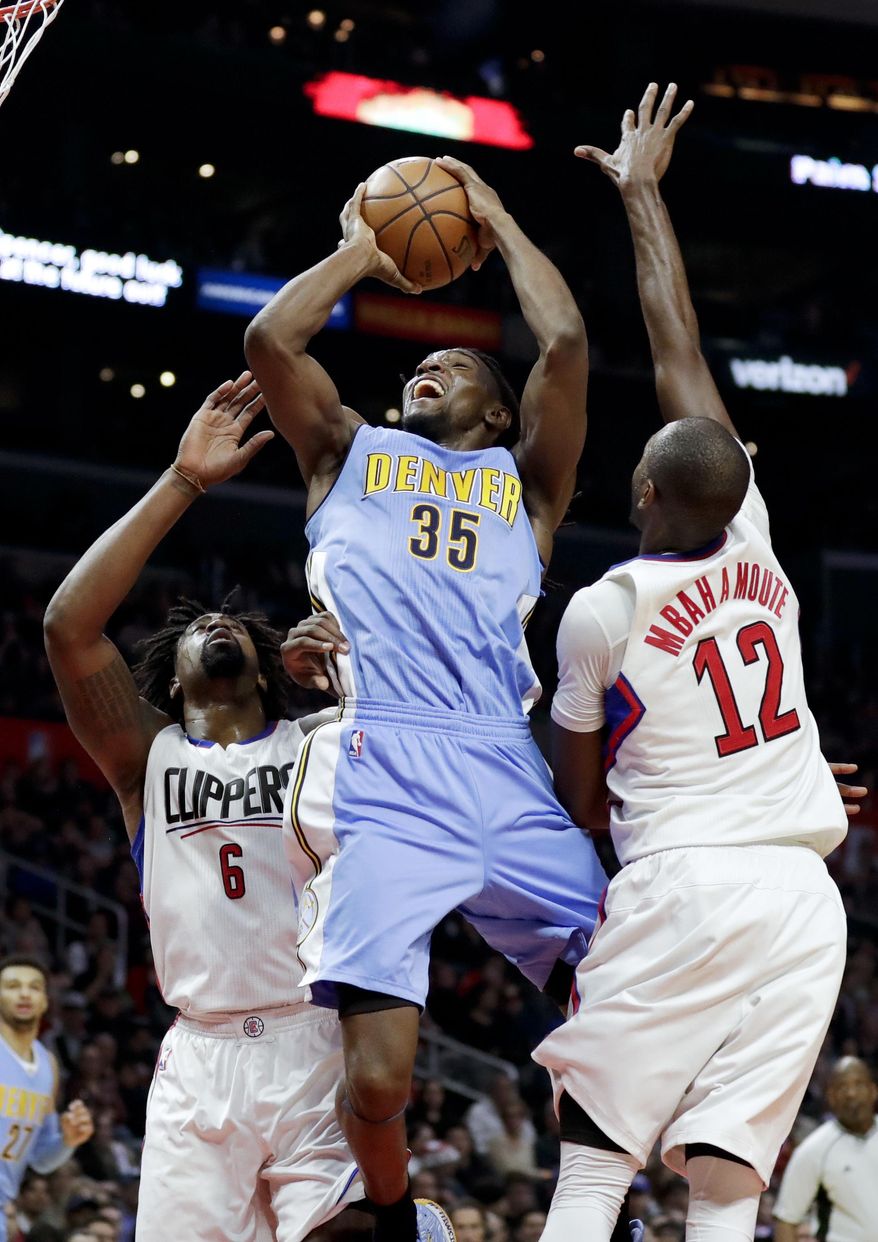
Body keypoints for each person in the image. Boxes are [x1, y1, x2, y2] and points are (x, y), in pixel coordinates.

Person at [244, 155, 609, 1242]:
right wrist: (367, 245)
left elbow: (567, 345)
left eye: (458, 366)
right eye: (425, 362)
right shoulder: (345, 451)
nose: (433, 368)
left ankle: (610, 1203)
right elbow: (271, 343)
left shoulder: (527, 485)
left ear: (498, 417)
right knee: (375, 1086)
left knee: (632, 989)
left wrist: (489, 215)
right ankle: (395, 1211)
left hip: (501, 758)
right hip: (388, 768)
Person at [531, 84, 862, 1242]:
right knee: (725, 1179)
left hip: (684, 884)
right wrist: (642, 194)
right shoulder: (760, 539)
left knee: (590, 1161)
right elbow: (681, 345)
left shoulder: (603, 606)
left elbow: (577, 799)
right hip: (801, 900)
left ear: (637, 495)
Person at [43, 374, 361, 1241]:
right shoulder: (146, 756)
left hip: (313, 1039)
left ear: (263, 671)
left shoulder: (319, 742)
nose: (215, 621)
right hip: (201, 1053)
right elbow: (69, 627)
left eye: (232, 624)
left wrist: (347, 658)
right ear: (173, 678)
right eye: (193, 628)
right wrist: (182, 482)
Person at [0, 956, 94, 1242]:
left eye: (34, 987)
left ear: (45, 1000)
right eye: (13, 986)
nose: (25, 993)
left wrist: (68, 1140)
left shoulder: (48, 1064)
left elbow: (41, 1159)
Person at [774, 1057, 878, 1242]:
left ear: (873, 1091)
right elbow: (786, 1220)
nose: (851, 1094)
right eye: (842, 1087)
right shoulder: (813, 1150)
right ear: (830, 1097)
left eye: (858, 1084)